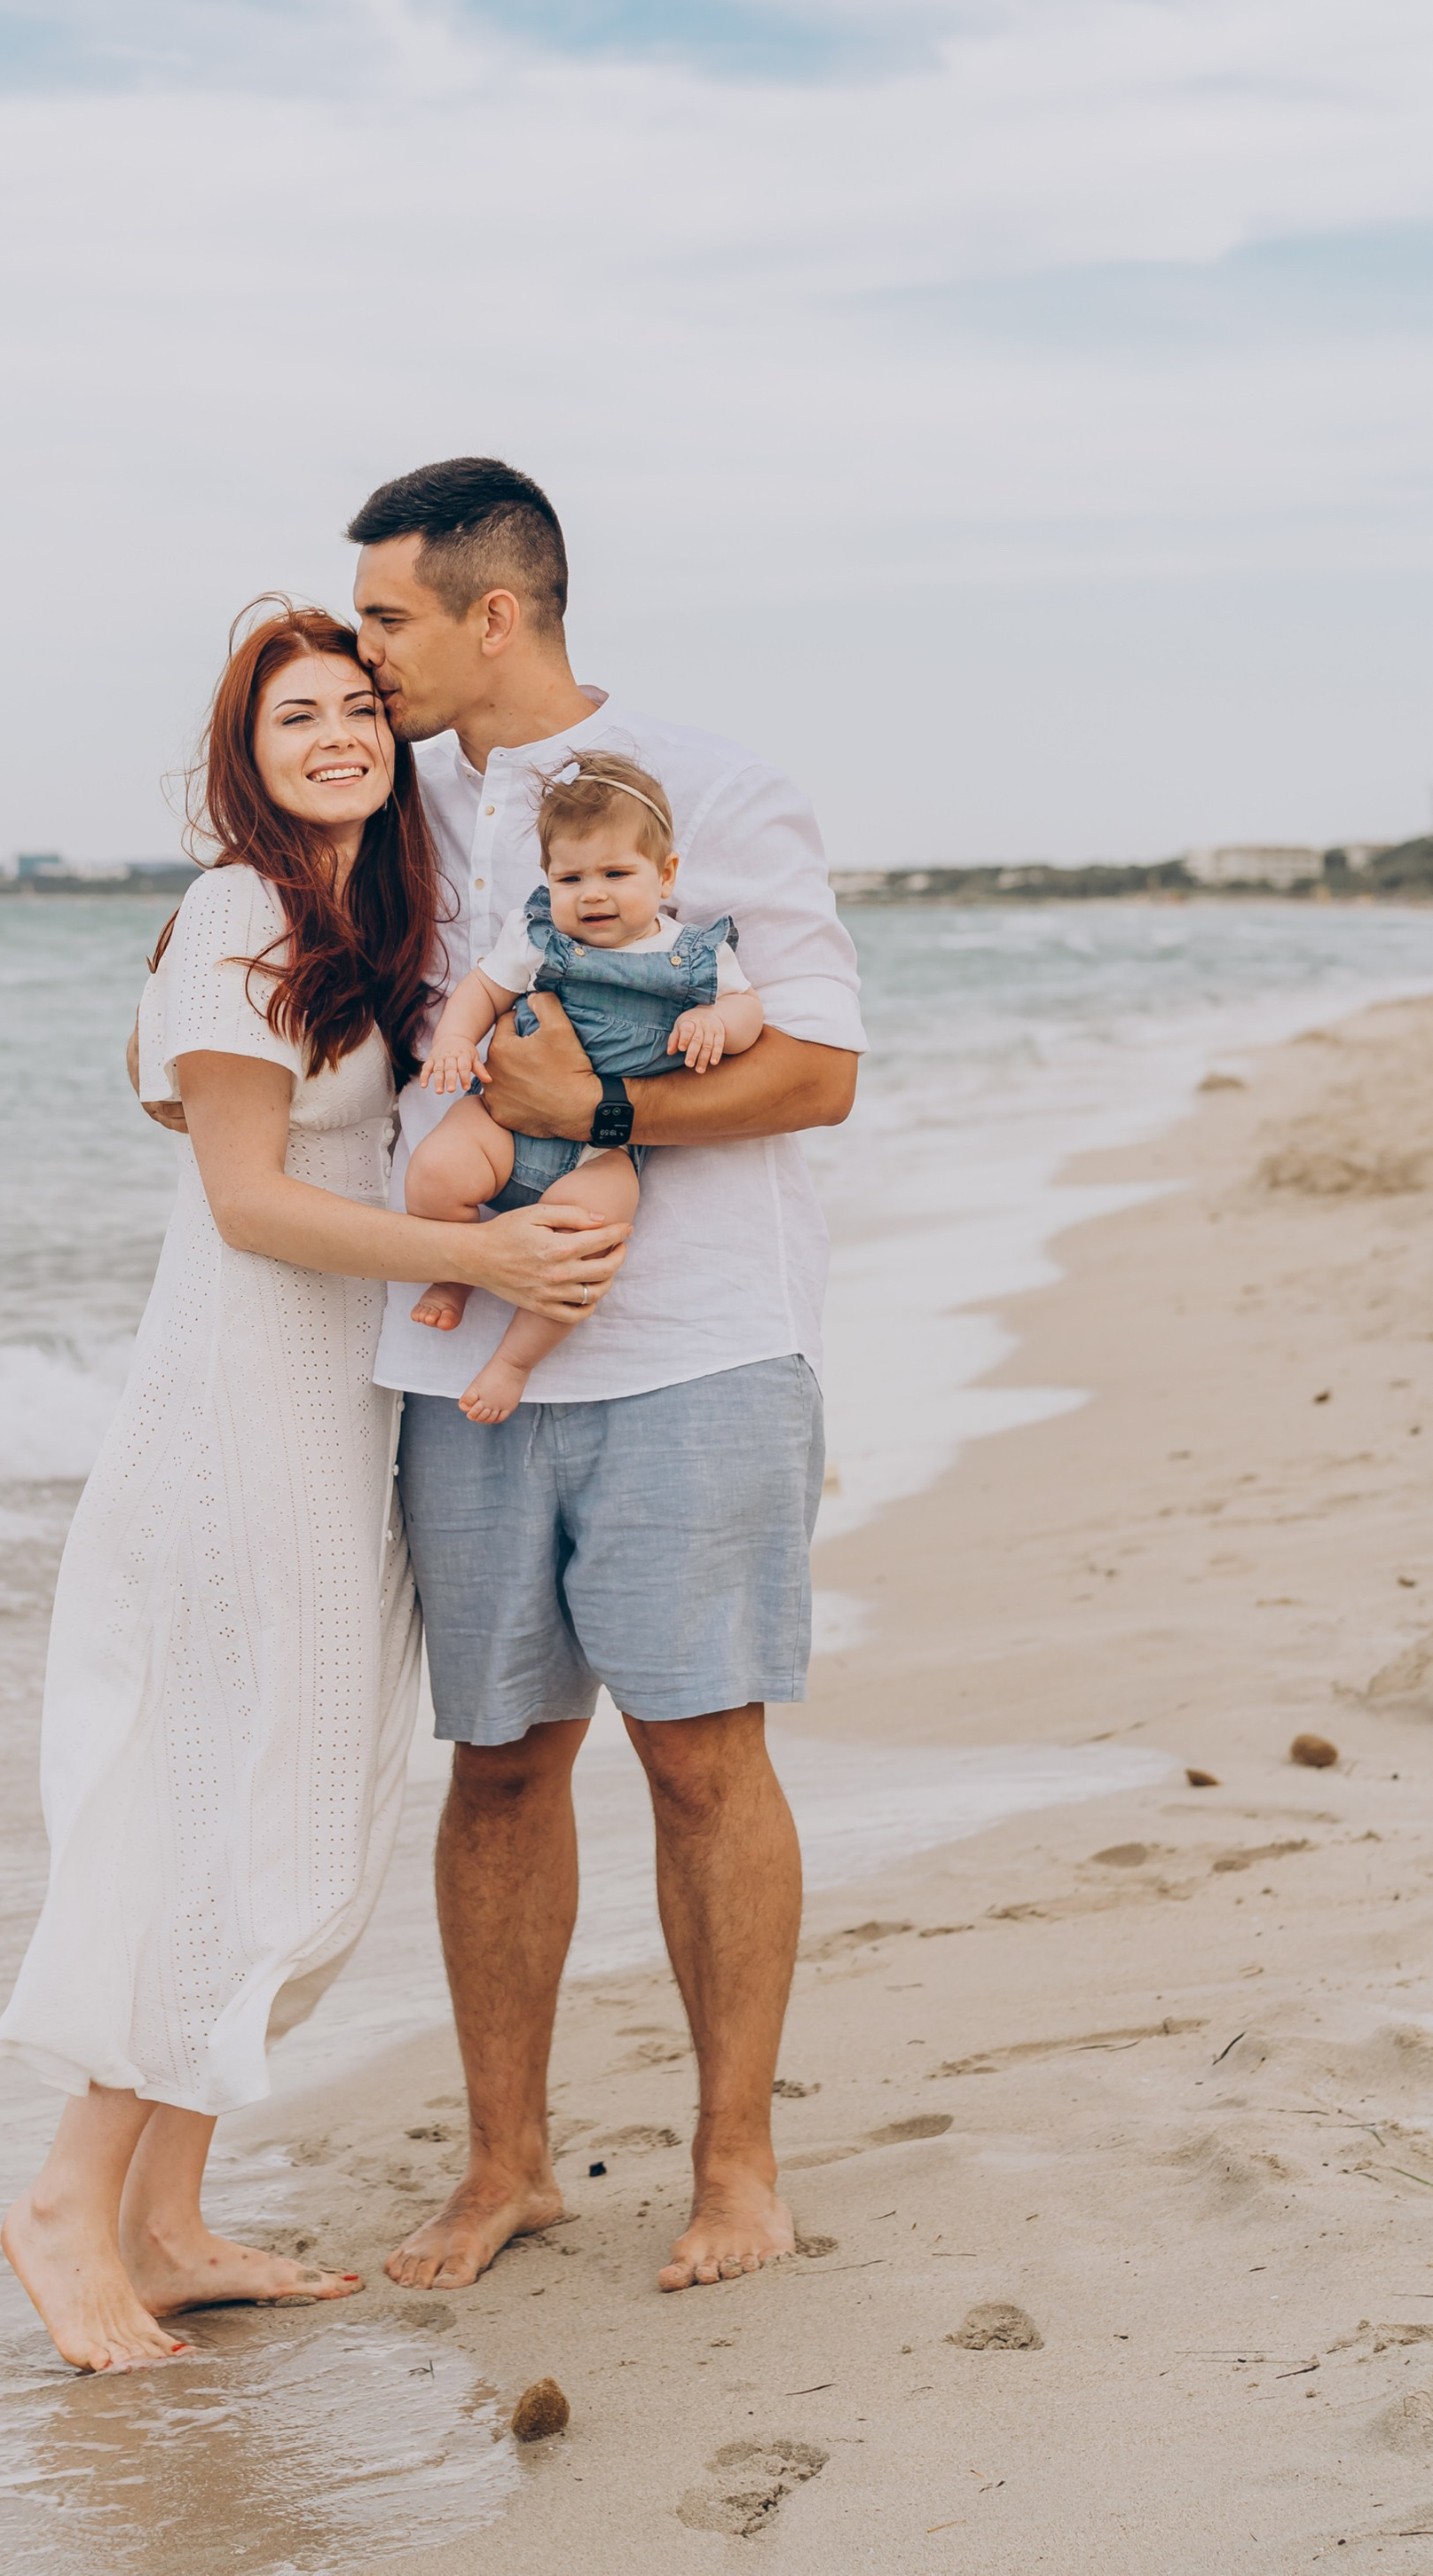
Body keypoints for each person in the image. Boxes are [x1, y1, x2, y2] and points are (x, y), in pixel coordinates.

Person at [0, 601, 631, 2374]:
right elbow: (247, 1202)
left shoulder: (368, 914)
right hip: (234, 1410)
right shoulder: (232, 909)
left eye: (361, 706)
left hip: (337, 1411)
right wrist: (495, 1260)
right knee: (222, 1813)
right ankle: (65, 2210)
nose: (341, 732)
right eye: (299, 715)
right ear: (243, 749)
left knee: (298, 1806)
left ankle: (171, 2222)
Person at [348, 458, 866, 2299]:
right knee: (495, 1762)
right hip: (457, 1345)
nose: (364, 649)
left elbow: (815, 1071)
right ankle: (506, 2166)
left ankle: (735, 2166)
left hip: (696, 1344)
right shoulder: (383, 806)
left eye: (388, 618)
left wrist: (610, 1107)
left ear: (494, 613)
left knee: (701, 1759)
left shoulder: (710, 783)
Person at [404, 748, 763, 1422]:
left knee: (587, 1246)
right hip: (502, 1122)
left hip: (603, 1151)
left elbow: (750, 1011)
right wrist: (455, 1039)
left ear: (666, 875)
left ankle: (512, 1362)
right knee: (436, 1171)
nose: (592, 893)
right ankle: (454, 1273)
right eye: (570, 877)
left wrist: (719, 1021)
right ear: (547, 879)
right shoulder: (539, 937)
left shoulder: (695, 954)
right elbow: (484, 987)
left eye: (616, 873)